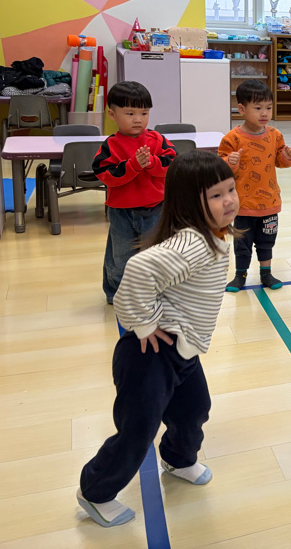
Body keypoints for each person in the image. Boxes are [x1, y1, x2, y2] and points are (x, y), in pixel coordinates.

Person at [77, 151, 238, 528]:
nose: (229, 200)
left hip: (183, 348)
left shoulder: (214, 234)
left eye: (231, 189)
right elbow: (137, 271)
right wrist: (145, 324)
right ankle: (95, 491)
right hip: (148, 355)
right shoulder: (191, 243)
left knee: (194, 409)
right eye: (216, 195)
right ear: (189, 203)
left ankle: (178, 459)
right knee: (138, 429)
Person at [93, 81, 176, 305]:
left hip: (156, 208)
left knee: (156, 253)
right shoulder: (111, 145)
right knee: (121, 255)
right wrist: (133, 166)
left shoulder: (157, 139)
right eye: (130, 113)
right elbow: (104, 174)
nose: (138, 119)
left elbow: (173, 164)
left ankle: (156, 291)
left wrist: (152, 163)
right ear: (112, 114)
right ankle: (118, 293)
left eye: (144, 113)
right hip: (122, 211)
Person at [219, 79, 291, 293]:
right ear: (242, 109)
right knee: (242, 243)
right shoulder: (232, 138)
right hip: (243, 204)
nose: (264, 113)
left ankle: (266, 273)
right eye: (258, 108)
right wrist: (229, 162)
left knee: (266, 241)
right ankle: (240, 275)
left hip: (269, 201)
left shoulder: (275, 135)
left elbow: (280, 162)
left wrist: (287, 157)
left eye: (268, 108)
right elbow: (221, 168)